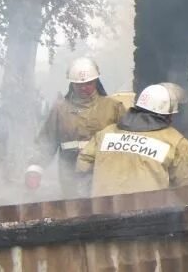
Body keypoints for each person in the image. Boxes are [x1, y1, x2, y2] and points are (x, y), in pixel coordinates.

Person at [76, 84, 188, 197]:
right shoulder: (175, 142)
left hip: (102, 212)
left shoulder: (105, 134)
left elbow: (83, 167)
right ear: (169, 115)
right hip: (151, 217)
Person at [26, 57, 125, 196]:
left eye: (88, 83)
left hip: (104, 171)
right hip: (70, 174)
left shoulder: (114, 107)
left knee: (104, 210)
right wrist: (34, 169)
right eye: (79, 84)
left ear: (96, 81)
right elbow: (46, 142)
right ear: (72, 84)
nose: (84, 88)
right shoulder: (60, 109)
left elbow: (128, 142)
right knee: (74, 211)